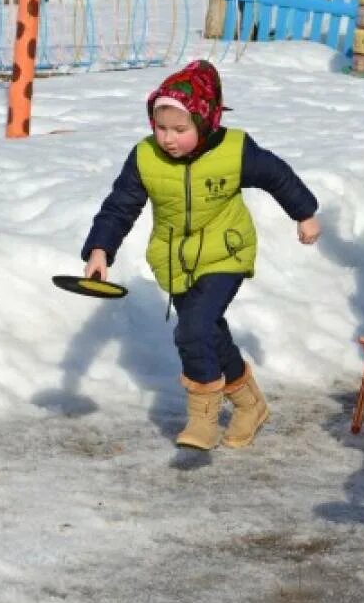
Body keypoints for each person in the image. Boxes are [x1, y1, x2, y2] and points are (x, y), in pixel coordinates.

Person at [81, 60, 320, 450]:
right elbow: (120, 206)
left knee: (192, 330)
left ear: (205, 121)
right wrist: (100, 248)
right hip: (174, 261)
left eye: (180, 129)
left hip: (226, 253)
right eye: (161, 128)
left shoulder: (234, 150)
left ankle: (203, 416)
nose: (168, 139)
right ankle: (249, 405)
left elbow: (277, 175)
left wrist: (305, 214)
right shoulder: (145, 158)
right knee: (208, 329)